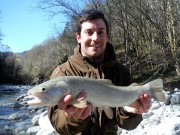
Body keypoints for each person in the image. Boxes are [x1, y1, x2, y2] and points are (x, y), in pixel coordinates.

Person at [48, 9, 152, 135]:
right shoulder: (63, 72)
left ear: (107, 37)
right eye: (89, 32)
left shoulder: (121, 72)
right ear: (78, 37)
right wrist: (73, 118)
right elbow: (58, 124)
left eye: (100, 32)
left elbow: (129, 125)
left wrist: (128, 112)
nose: (95, 38)